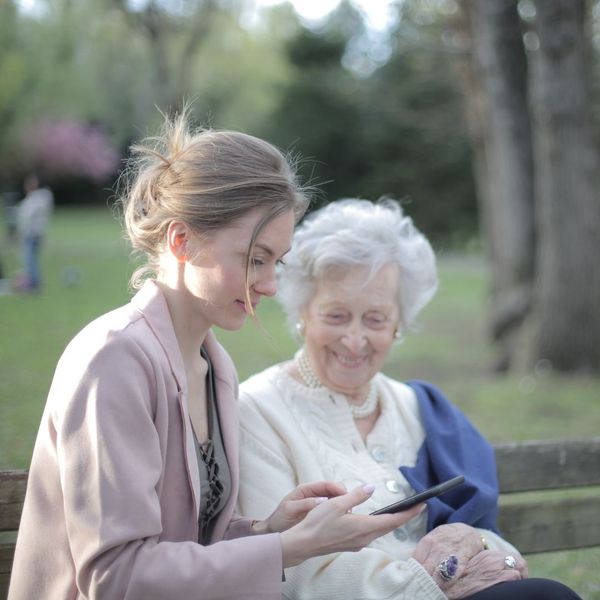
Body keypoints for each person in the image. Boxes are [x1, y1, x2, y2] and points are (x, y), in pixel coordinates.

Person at [8, 116, 424, 600]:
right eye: (254, 259)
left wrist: (270, 529)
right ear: (182, 241)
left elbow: (187, 543)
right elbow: (116, 577)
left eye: (276, 262)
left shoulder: (214, 365)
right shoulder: (113, 360)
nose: (269, 285)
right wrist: (286, 549)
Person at [236, 199, 583, 600]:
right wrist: (432, 581)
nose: (354, 339)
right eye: (335, 316)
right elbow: (294, 572)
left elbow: (497, 548)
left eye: (375, 319)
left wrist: (475, 543)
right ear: (303, 312)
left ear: (399, 324)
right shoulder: (257, 411)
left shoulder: (420, 408)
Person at [16, 173, 54, 293]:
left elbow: (27, 216)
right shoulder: (38, 198)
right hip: (33, 234)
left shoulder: (38, 198)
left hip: (32, 234)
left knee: (30, 259)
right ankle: (33, 283)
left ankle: (33, 284)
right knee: (30, 259)